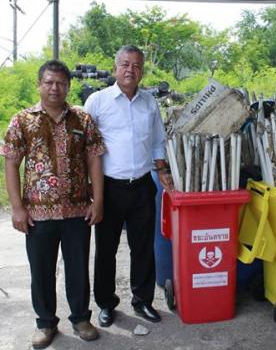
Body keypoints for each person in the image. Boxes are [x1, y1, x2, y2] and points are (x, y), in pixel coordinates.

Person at [1, 60, 106, 349]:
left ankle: (81, 319)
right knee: (41, 271)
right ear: (39, 85)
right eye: (48, 82)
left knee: (78, 269)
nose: (54, 88)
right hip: (37, 215)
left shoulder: (82, 120)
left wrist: (98, 201)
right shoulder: (22, 120)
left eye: (60, 83)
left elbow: (94, 159)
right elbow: (11, 164)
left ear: (68, 86)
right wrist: (17, 208)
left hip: (77, 211)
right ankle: (45, 323)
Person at [84, 45, 172, 327]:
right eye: (125, 64)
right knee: (106, 249)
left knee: (143, 247)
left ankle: (142, 301)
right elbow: (84, 145)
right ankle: (106, 304)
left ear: (142, 71)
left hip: (143, 185)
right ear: (115, 68)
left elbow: (158, 141)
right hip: (109, 188)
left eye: (136, 65)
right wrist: (89, 187)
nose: (130, 70)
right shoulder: (97, 101)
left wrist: (162, 170)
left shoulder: (149, 103)